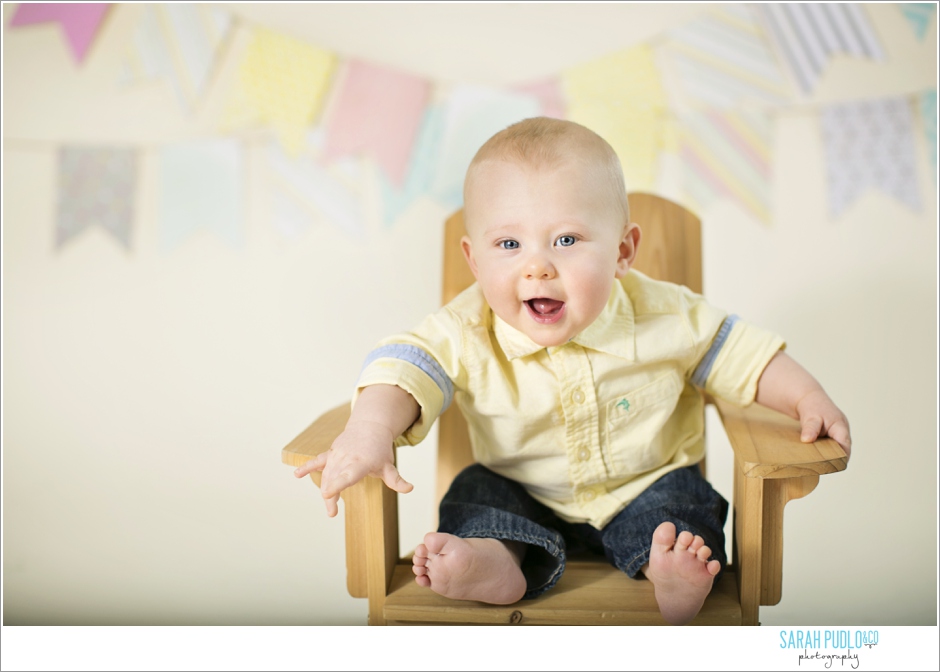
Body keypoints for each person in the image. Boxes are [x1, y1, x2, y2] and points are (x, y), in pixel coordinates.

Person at [293, 117, 852, 625]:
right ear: (475, 260)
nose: (538, 264)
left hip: (642, 489)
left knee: (685, 503)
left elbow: (742, 353)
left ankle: (671, 572)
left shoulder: (667, 315)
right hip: (522, 491)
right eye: (508, 243)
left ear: (623, 252)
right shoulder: (465, 328)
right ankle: (494, 559)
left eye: (565, 239)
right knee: (476, 494)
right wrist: (369, 431)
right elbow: (406, 366)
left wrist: (807, 396)